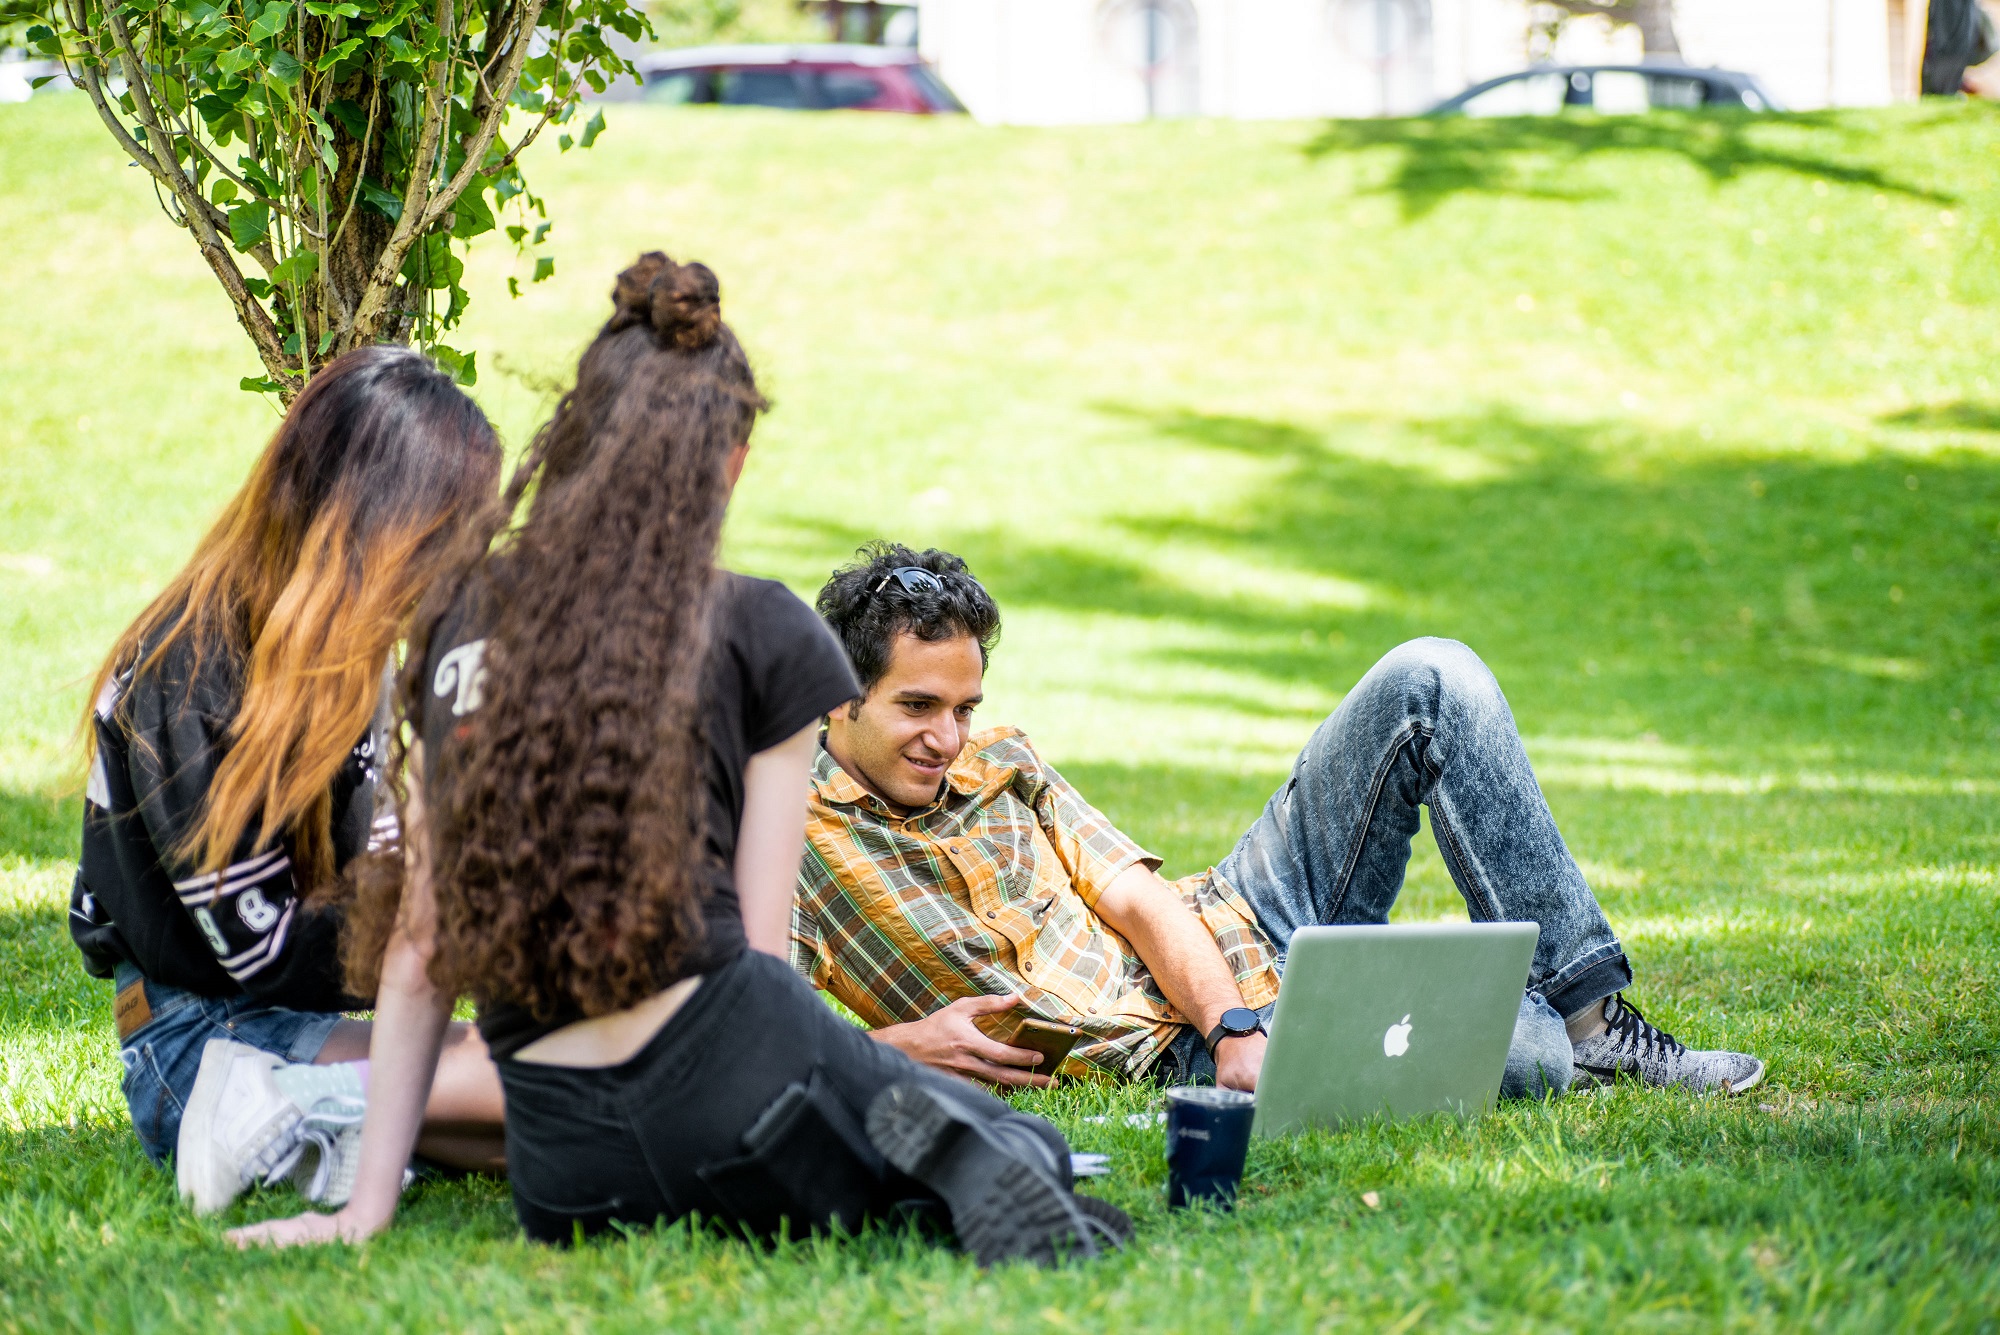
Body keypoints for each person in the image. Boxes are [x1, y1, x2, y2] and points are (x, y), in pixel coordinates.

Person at [228, 255, 1129, 1266]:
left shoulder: (456, 618)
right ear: (732, 459)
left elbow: (421, 944)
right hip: (732, 1074)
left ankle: (895, 1159)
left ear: (574, 436)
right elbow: (758, 947)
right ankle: (947, 1157)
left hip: (562, 1161)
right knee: (984, 1142)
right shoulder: (764, 627)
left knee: (774, 1146)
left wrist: (365, 1208)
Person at [791, 543, 1767, 1099]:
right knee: (1523, 1062)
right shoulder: (788, 847)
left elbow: (1135, 899)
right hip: (1149, 1044)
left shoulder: (999, 753)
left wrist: (1235, 1032)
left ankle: (1592, 1013)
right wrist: (895, 1051)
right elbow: (739, 1034)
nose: (948, 736)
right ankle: (1439, 999)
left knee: (1430, 674)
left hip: (1236, 919)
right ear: (837, 698)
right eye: (916, 709)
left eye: (961, 707)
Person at [69, 345, 510, 1214]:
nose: (455, 571)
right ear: (364, 519)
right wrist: (440, 904)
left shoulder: (353, 659)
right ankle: (280, 1113)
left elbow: (385, 864)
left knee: (555, 1104)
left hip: (290, 1024)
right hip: (198, 1037)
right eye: (443, 538)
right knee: (537, 1089)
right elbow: (263, 948)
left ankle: (318, 1117)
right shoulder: (187, 666)